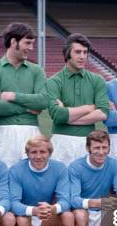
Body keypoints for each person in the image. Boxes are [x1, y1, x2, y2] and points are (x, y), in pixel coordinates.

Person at [0, 23, 48, 167]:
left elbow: (43, 101)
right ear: (13, 42)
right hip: (3, 134)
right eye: (27, 43)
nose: (31, 48)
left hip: (32, 133)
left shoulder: (37, 71)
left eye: (32, 43)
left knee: (32, 177)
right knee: (4, 178)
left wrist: (14, 96)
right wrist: (26, 108)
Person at [44, 33, 109, 166]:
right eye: (78, 52)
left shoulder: (97, 80)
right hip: (61, 142)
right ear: (68, 53)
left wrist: (67, 116)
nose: (82, 56)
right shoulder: (53, 82)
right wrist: (89, 108)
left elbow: (103, 113)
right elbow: (57, 115)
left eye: (85, 52)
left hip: (89, 142)